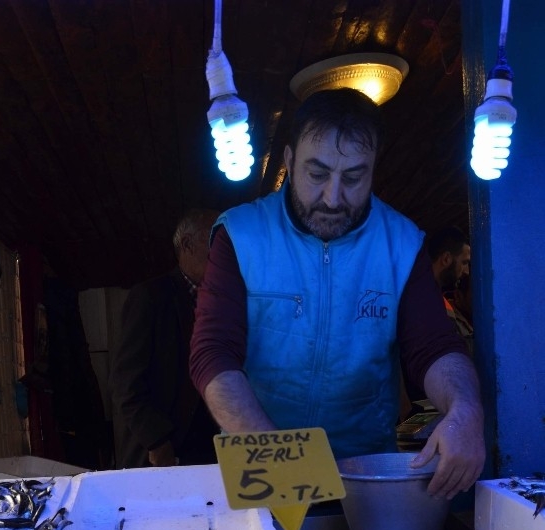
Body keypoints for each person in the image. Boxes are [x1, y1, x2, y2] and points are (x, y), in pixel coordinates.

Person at [189, 88, 485, 501]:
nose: (332, 197)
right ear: (290, 162)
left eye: (352, 177)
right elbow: (212, 351)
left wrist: (466, 410)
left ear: (373, 169)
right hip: (260, 470)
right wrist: (280, 459)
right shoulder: (240, 234)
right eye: (317, 173)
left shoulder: (402, 242)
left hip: (363, 480)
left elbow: (433, 346)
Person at [109, 208, 220, 468]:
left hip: (213, 449)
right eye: (215, 240)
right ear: (188, 245)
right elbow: (125, 383)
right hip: (163, 451)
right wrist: (157, 440)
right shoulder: (151, 297)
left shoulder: (223, 301)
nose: (225, 251)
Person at [427, 226, 474, 354]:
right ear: (446, 259)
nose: (466, 271)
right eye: (464, 263)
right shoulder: (424, 302)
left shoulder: (434, 297)